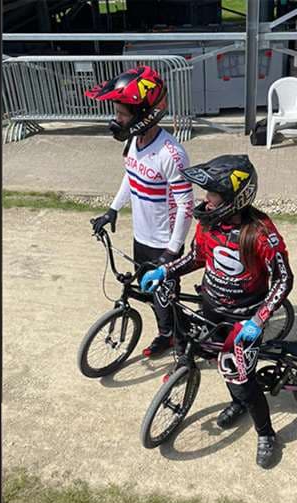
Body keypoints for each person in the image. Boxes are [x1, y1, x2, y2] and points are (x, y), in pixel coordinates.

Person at [139, 154, 294, 469]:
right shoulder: (208, 222)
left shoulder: (260, 232)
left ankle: (266, 433)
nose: (206, 199)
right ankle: (238, 402)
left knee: (243, 378)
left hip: (244, 319)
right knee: (218, 361)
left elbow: (284, 279)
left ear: (235, 198)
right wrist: (166, 271)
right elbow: (197, 257)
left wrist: (258, 320)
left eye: (213, 194)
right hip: (211, 308)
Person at [85, 66, 194, 358]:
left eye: (122, 114)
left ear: (145, 115)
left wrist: (172, 251)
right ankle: (166, 334)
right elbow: (130, 175)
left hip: (164, 243)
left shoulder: (171, 154)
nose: (116, 119)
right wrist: (112, 210)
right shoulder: (134, 141)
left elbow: (186, 206)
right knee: (150, 293)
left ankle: (183, 349)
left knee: (167, 297)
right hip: (141, 237)